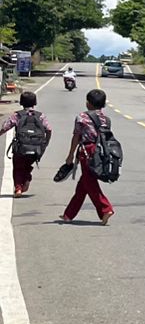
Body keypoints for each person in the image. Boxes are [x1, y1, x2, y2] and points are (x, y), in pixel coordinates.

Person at [59, 89, 114, 225]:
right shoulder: (106, 119)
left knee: (89, 182)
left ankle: (106, 208)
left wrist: (70, 155)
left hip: (87, 151)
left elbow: (76, 136)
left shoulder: (82, 117)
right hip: (101, 152)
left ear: (88, 103)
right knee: (84, 183)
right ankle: (68, 214)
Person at [0, 90, 51, 196]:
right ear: (35, 103)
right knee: (27, 164)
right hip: (36, 148)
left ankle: (18, 188)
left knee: (18, 166)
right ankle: (27, 178)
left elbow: (5, 127)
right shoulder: (40, 116)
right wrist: (45, 143)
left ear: (21, 103)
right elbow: (49, 129)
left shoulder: (17, 115)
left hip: (21, 147)